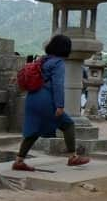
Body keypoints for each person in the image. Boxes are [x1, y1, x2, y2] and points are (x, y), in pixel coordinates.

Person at [12, 35, 91, 171]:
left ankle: (19, 161)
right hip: (46, 99)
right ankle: (73, 157)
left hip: (32, 98)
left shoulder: (42, 60)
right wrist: (60, 105)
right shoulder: (58, 63)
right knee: (68, 124)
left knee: (34, 131)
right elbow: (58, 85)